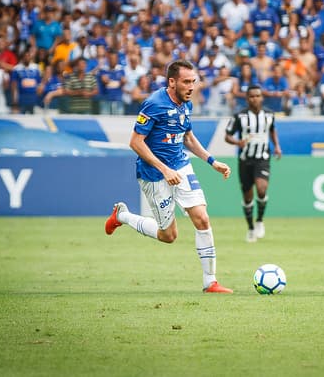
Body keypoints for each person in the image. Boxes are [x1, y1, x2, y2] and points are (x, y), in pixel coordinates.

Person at [104, 60, 233, 294]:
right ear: (172, 82)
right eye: (186, 82)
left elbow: (188, 138)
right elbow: (135, 142)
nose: (191, 87)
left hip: (181, 167)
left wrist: (212, 162)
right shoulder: (154, 104)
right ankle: (122, 216)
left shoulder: (187, 104)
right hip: (154, 174)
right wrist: (164, 169)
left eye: (193, 81)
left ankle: (210, 282)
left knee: (202, 218)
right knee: (168, 235)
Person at [224, 85, 282, 243]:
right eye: (251, 96)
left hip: (262, 158)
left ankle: (260, 220)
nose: (255, 99)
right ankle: (250, 228)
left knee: (262, 189)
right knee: (248, 196)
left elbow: (272, 130)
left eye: (257, 96)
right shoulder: (239, 116)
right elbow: (227, 136)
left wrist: (276, 146)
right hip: (245, 160)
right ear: (247, 98)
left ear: (262, 97)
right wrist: (238, 142)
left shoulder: (269, 115)